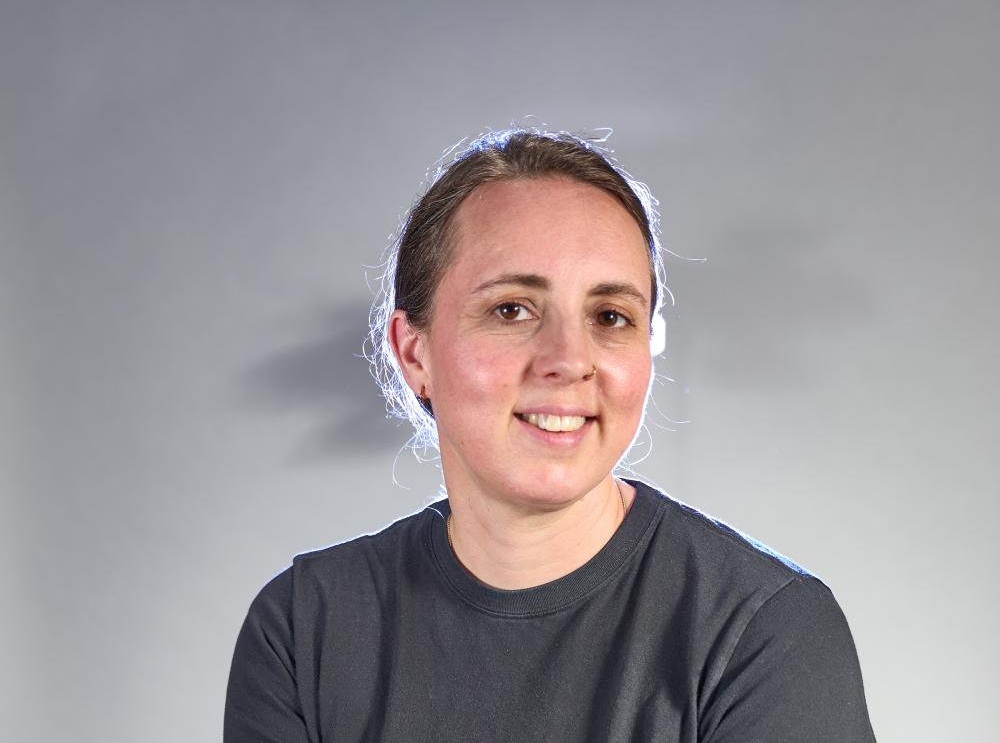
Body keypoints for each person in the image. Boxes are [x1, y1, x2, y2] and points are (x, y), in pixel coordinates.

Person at [224, 130, 877, 742]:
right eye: (512, 309)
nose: (568, 357)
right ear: (415, 353)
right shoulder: (305, 629)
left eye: (611, 316)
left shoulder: (767, 629)